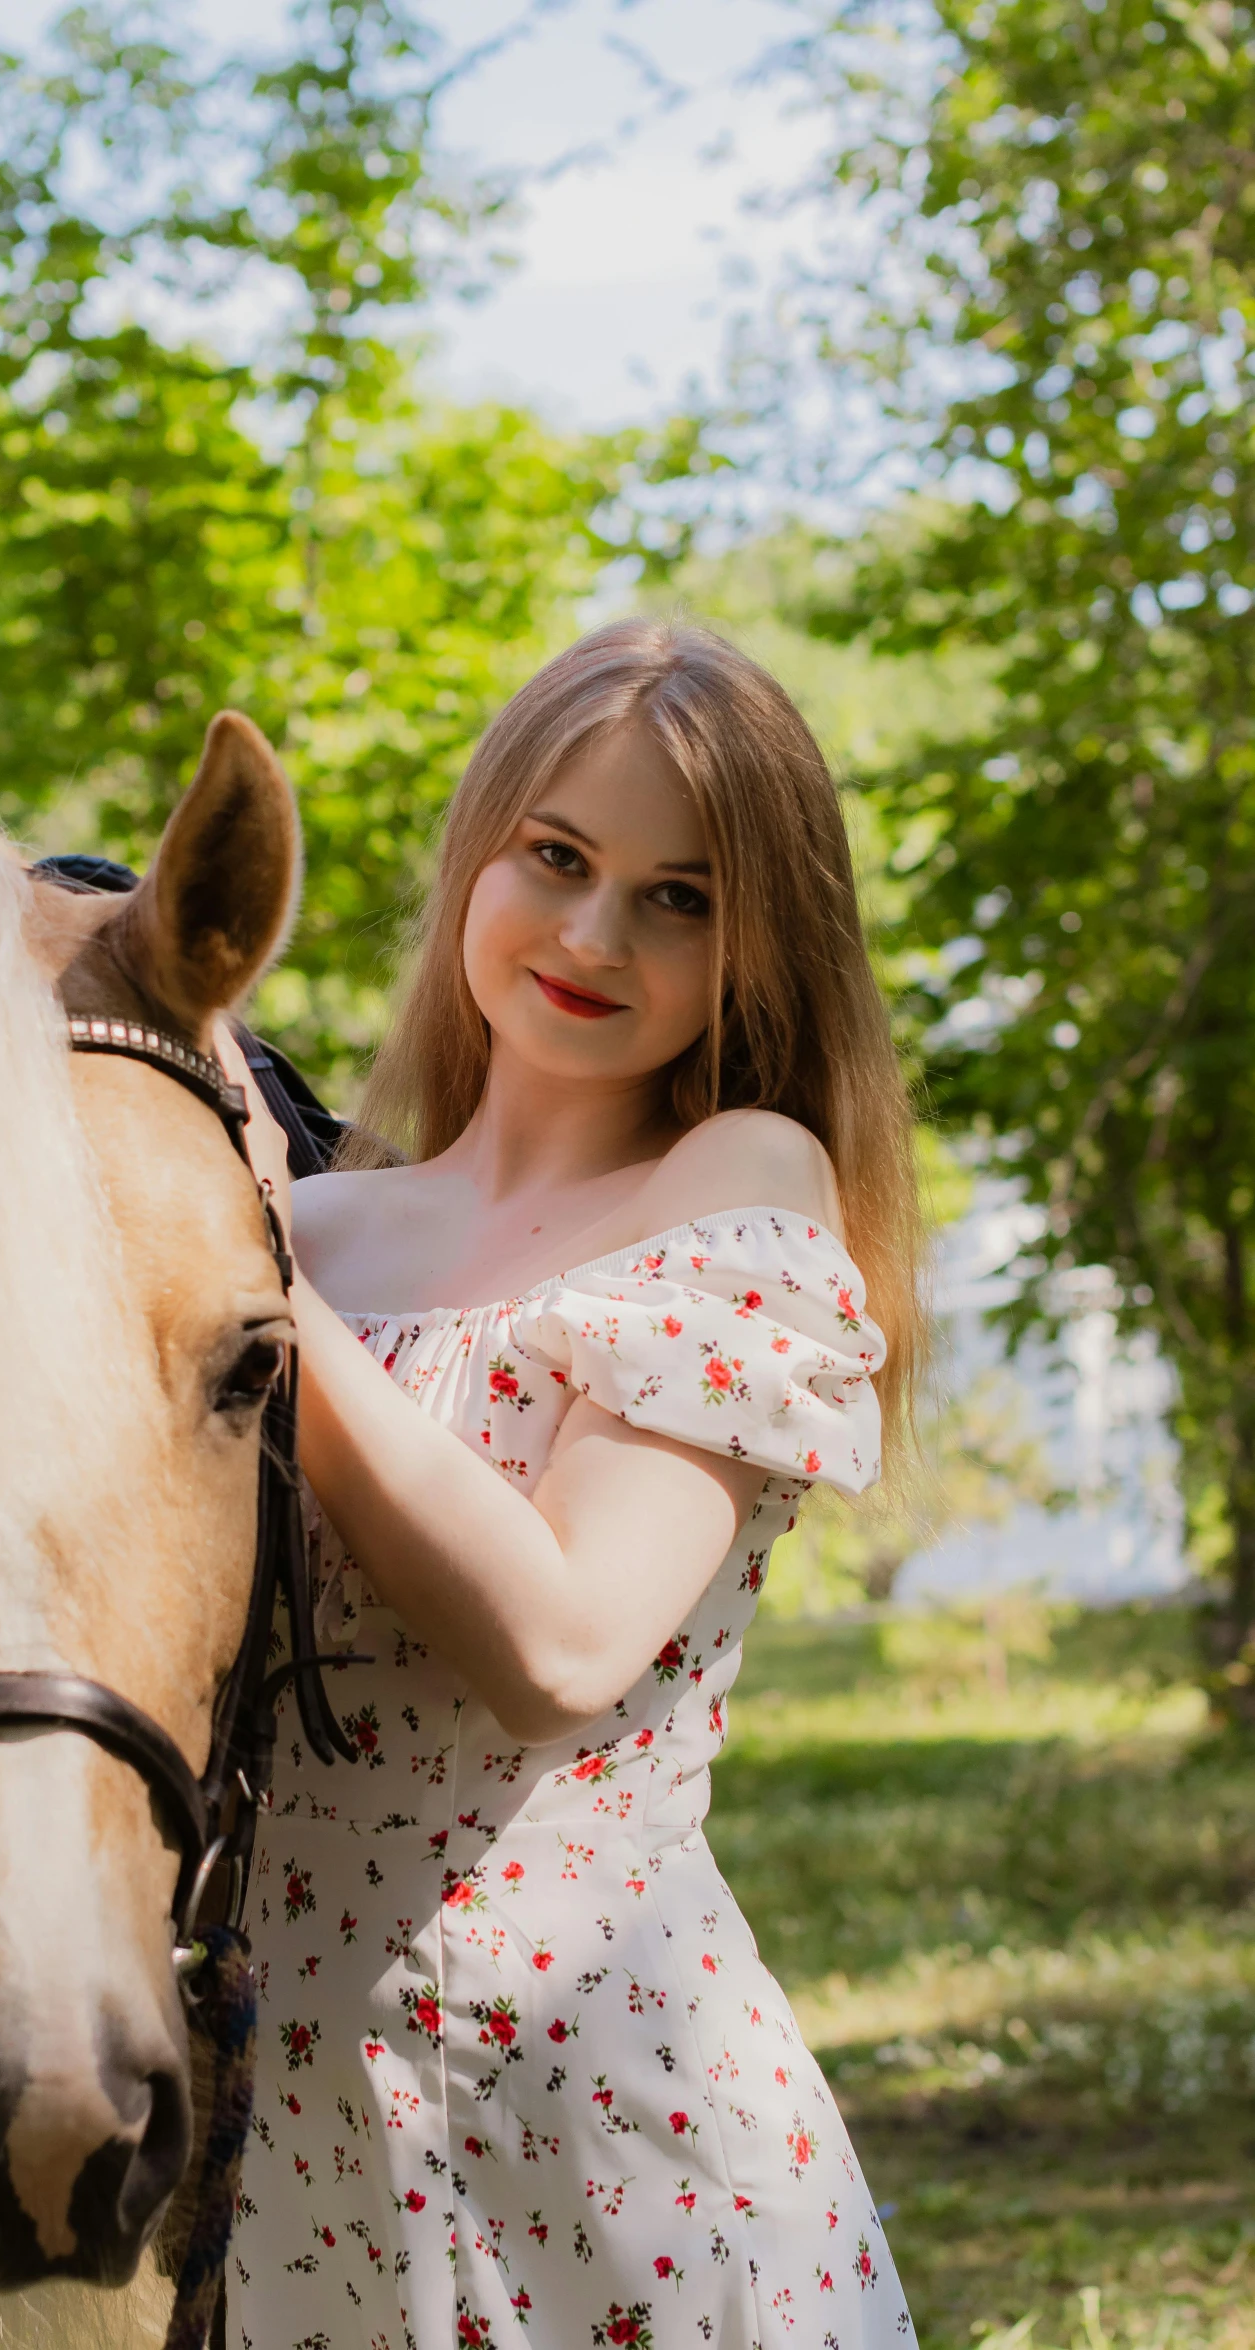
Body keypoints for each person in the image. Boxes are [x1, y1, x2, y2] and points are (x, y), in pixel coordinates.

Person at [219, 617, 923, 2350]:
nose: (596, 933)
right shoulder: (312, 1226)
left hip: (609, 2141)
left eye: (678, 897)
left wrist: (254, 1289)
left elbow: (559, 1642)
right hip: (284, 2149)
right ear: (480, 855)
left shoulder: (731, 1183)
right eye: (557, 856)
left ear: (757, 946)